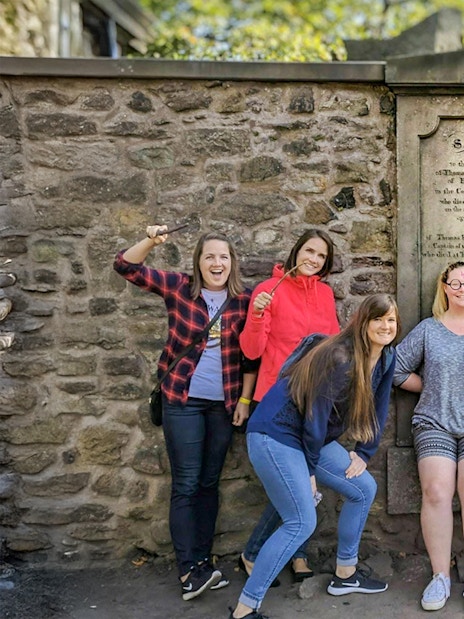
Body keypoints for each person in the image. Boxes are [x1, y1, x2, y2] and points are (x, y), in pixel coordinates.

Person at [229, 293, 399, 619]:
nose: (385, 326)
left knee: (363, 488)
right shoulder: (340, 357)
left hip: (308, 438)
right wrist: (308, 471)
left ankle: (346, 575)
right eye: (378, 319)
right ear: (363, 322)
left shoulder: (386, 358)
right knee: (301, 521)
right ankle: (244, 610)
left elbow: (378, 407)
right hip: (276, 434)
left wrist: (364, 452)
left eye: (391, 320)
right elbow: (315, 417)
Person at [114, 227, 256, 601]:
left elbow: (251, 355)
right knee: (187, 484)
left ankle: (203, 565)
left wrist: (244, 401)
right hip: (182, 400)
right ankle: (188, 570)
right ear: (198, 261)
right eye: (209, 256)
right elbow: (125, 266)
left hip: (223, 405)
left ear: (232, 263)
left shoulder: (243, 300)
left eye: (223, 256)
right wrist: (150, 242)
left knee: (210, 484)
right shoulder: (179, 288)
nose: (216, 263)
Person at [238, 229, 340, 582]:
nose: (314, 259)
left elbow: (330, 346)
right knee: (294, 484)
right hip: (275, 403)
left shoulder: (325, 294)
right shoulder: (269, 290)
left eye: (321, 256)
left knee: (298, 484)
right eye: (309, 251)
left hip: (311, 404)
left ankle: (296, 554)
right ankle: (256, 553)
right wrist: (256, 315)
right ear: (296, 251)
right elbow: (251, 350)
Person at [393, 261, 464, 612]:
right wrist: (429, 387)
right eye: (457, 282)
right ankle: (441, 576)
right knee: (436, 491)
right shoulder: (429, 330)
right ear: (446, 287)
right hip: (434, 421)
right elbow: (396, 369)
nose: (462, 287)